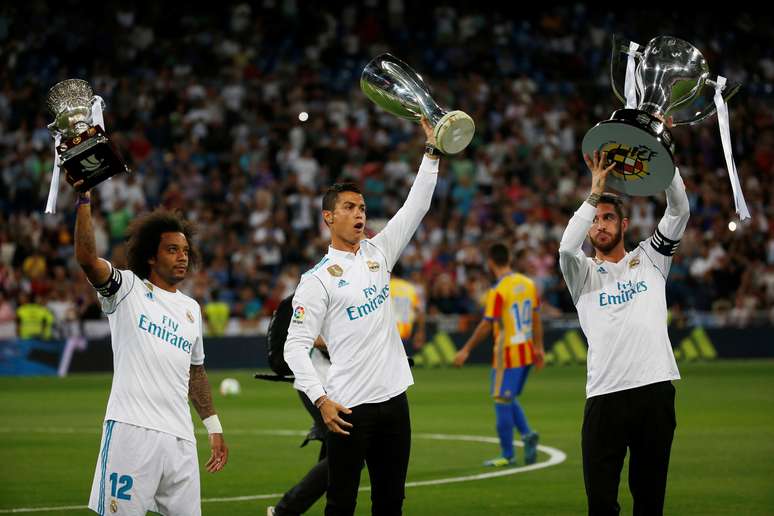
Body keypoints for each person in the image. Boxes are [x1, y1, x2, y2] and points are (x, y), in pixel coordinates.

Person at [283, 118, 439, 516]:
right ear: (328, 218)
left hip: (395, 401)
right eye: (349, 208)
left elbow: (416, 207)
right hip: (349, 408)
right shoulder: (316, 281)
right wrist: (321, 400)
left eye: (363, 208)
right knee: (341, 505)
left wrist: (432, 152)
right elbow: (294, 346)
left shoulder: (379, 253)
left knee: (390, 503)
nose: (359, 214)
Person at [69, 176, 229, 515]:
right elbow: (86, 258)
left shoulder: (191, 309)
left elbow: (195, 373)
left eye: (186, 251)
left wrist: (213, 427)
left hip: (180, 440)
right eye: (172, 250)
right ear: (151, 257)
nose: (182, 257)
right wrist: (84, 199)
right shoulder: (126, 289)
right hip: (131, 432)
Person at [558, 149, 689, 515]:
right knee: (600, 502)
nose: (599, 224)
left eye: (608, 218)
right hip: (605, 396)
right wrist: (594, 193)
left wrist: (666, 162)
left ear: (624, 225)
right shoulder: (581, 273)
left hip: (654, 391)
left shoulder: (651, 258)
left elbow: (679, 211)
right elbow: (566, 246)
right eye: (595, 219)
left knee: (649, 501)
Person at [453, 243, 544, 467]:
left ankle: (507, 454)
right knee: (508, 397)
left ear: (491, 262)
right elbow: (536, 317)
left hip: (507, 354)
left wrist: (466, 349)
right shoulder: (528, 283)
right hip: (527, 350)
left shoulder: (499, 290)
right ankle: (527, 434)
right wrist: (539, 347)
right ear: (509, 259)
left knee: (501, 400)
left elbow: (486, 325)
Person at [267, 294, 331, 516]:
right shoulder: (325, 294)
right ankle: (284, 511)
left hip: (341, 386)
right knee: (348, 454)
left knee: (340, 456)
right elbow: (312, 339)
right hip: (318, 383)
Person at [389, 262, 426, 357]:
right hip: (405, 333)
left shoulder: (385, 285)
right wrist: (420, 332)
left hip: (388, 333)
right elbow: (420, 312)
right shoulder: (410, 288)